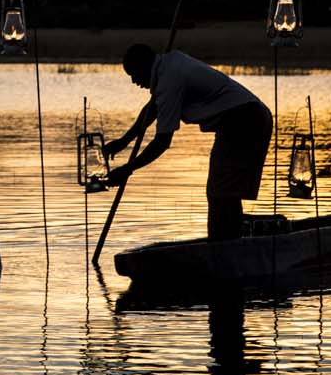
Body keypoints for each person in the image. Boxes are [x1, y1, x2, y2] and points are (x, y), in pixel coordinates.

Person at [103, 43, 272, 241]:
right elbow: (153, 108)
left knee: (222, 193)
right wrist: (124, 141)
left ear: (144, 66)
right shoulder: (168, 69)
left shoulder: (169, 79)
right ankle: (227, 241)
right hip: (238, 123)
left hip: (244, 122)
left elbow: (162, 142)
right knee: (222, 192)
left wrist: (128, 169)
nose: (134, 81)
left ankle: (224, 246)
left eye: (134, 74)